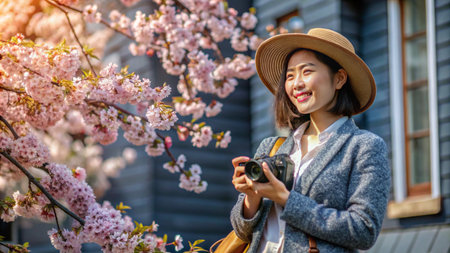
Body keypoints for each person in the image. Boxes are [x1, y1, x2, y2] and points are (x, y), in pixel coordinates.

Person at [230, 28, 391, 253]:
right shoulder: (271, 147)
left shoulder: (364, 147)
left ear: (339, 79)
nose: (296, 84)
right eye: (289, 75)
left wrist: (286, 199)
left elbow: (363, 231)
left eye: (306, 72)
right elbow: (242, 231)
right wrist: (251, 197)